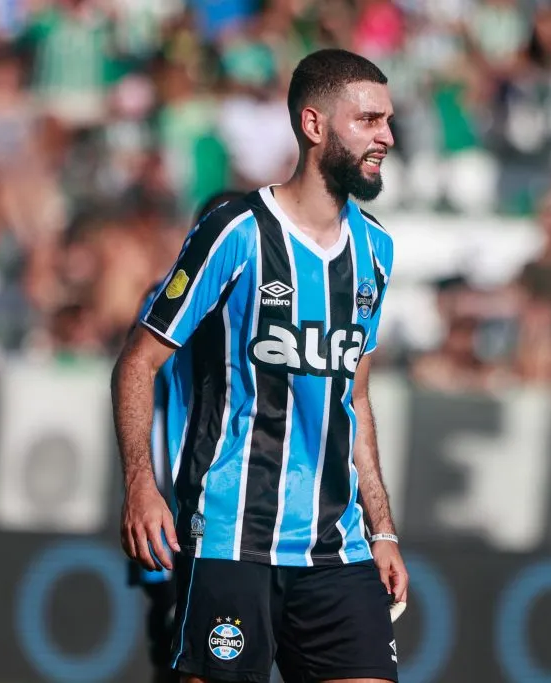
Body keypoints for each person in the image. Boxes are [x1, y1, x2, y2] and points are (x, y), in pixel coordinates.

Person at [112, 48, 407, 683]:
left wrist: (382, 530)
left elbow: (353, 399)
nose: (386, 135)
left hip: (338, 547)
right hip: (229, 538)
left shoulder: (376, 251)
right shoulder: (235, 232)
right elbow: (138, 362)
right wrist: (141, 484)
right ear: (315, 124)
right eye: (370, 120)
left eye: (388, 120)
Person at [127, 189, 248, 683]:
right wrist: (149, 489)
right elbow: (150, 400)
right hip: (184, 502)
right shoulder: (166, 300)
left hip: (235, 511)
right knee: (186, 652)